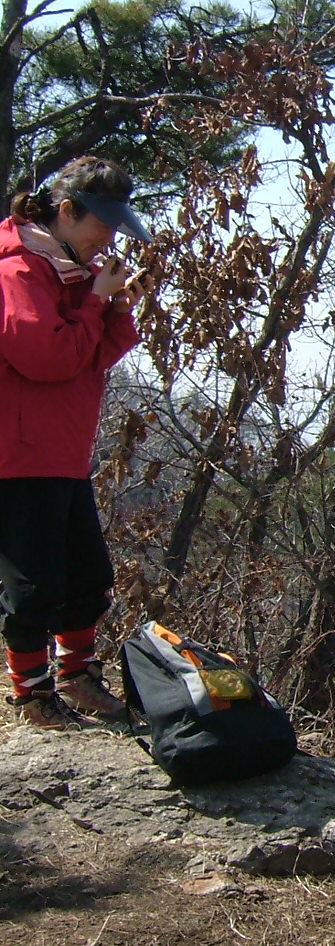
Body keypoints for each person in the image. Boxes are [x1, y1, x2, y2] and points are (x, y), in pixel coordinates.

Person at [0, 155, 153, 730]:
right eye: (102, 224)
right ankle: (32, 695)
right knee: (32, 583)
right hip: (19, 452)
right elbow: (47, 357)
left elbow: (91, 358)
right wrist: (94, 302)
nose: (108, 239)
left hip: (63, 449)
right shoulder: (19, 271)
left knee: (88, 575)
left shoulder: (68, 272)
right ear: (65, 211)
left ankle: (77, 675)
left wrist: (116, 307)